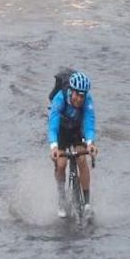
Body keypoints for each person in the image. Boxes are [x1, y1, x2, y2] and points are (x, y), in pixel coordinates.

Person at [47, 70, 98, 218]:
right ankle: (61, 199)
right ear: (71, 91)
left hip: (77, 128)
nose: (80, 99)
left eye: (83, 96)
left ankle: (87, 202)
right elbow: (53, 126)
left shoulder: (87, 101)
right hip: (61, 130)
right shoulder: (59, 99)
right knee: (61, 164)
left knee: (82, 159)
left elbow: (89, 122)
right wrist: (54, 147)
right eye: (78, 95)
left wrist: (90, 144)